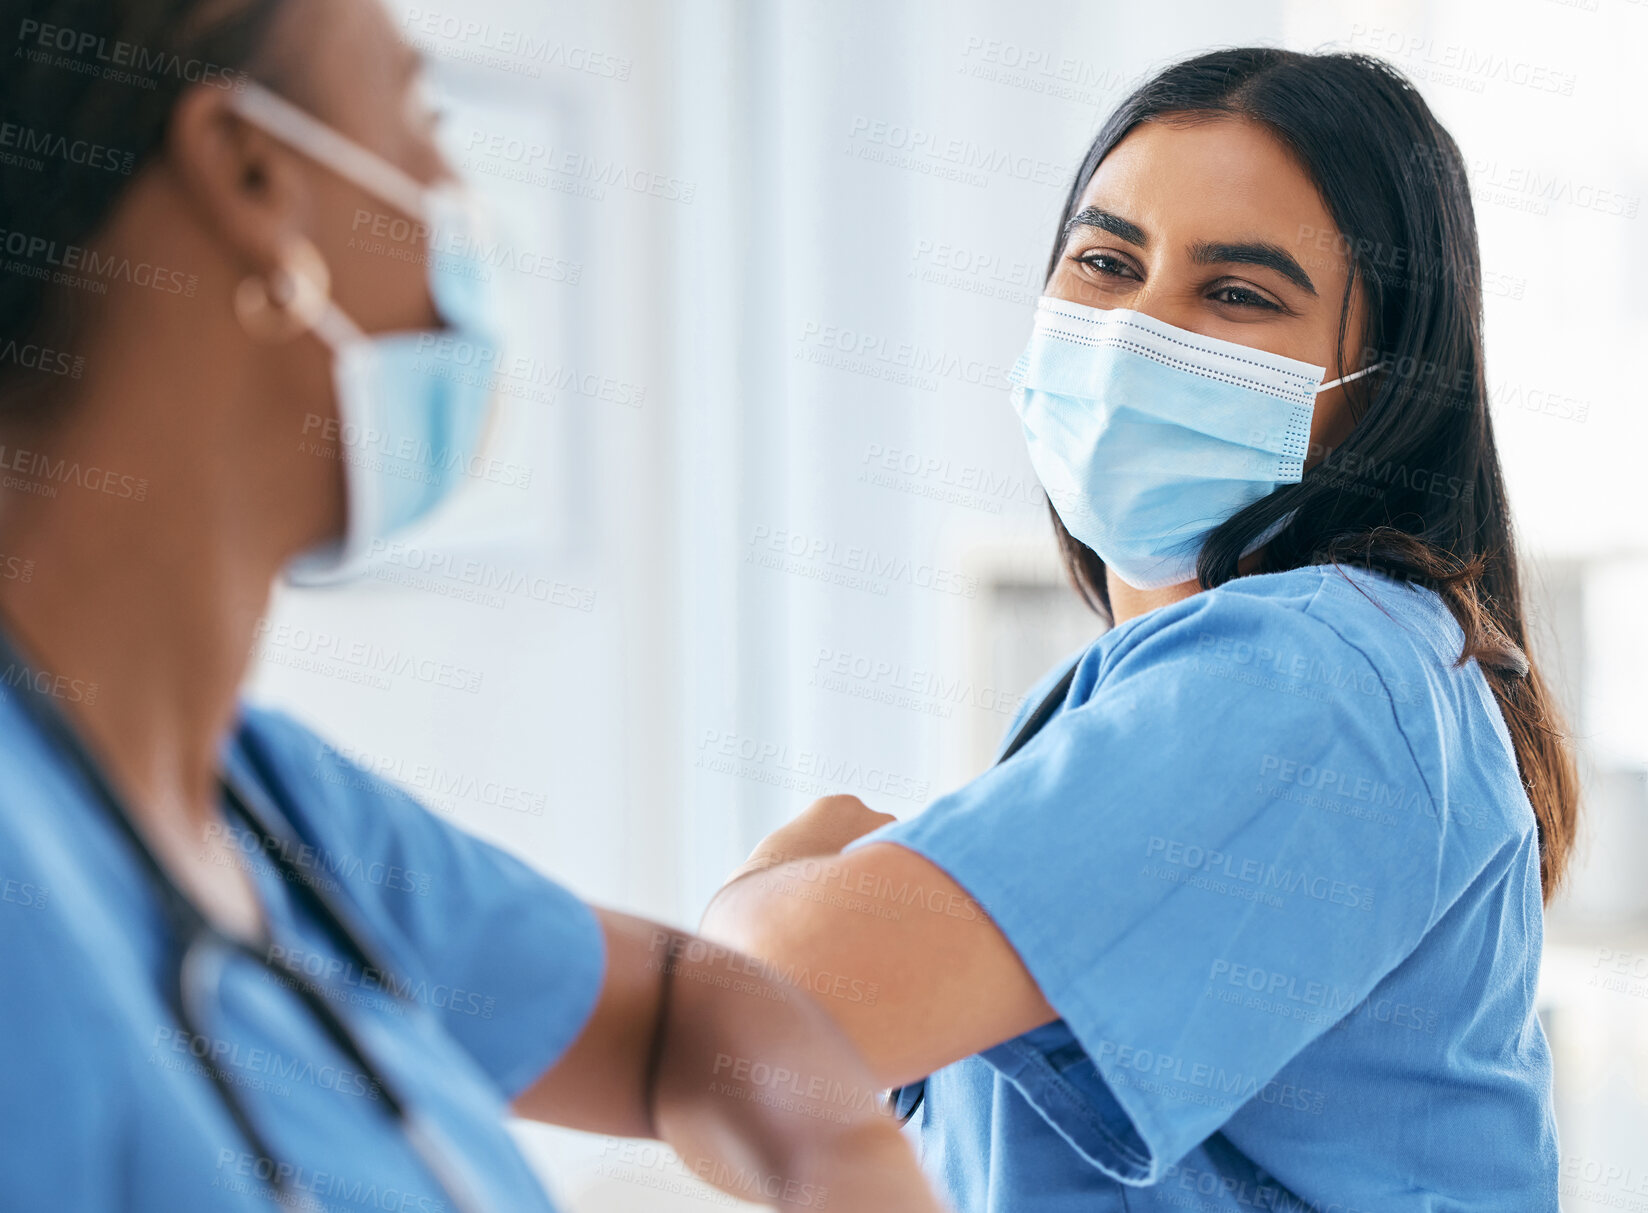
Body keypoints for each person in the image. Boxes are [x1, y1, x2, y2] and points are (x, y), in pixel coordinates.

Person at [0, 1, 947, 1210]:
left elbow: (683, 1008)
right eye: (418, 120)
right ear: (251, 174)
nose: (451, 196)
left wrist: (846, 1163)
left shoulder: (262, 805)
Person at [701, 48, 1578, 1212]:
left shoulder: (1314, 675)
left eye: (1238, 294)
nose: (1133, 334)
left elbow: (751, 1035)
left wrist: (767, 886)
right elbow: (769, 1126)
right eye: (1106, 262)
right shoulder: (1147, 698)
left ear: (1383, 386)